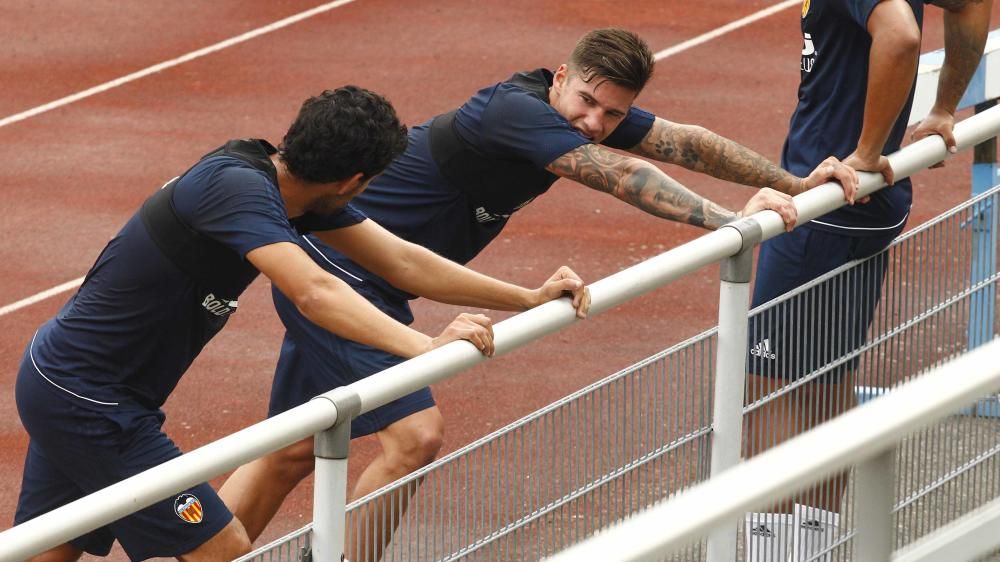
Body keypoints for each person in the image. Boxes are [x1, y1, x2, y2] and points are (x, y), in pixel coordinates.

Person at [219, 28, 860, 561]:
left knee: (291, 447)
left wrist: (794, 181)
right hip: (342, 273)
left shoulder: (584, 113)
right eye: (585, 102)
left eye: (611, 113)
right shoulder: (516, 112)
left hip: (385, 279)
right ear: (560, 76)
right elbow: (623, 175)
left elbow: (685, 141)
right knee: (415, 438)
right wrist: (731, 223)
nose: (595, 122)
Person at [12, 86, 593, 562]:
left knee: (48, 552)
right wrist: (424, 347)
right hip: (88, 400)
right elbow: (315, 291)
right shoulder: (236, 190)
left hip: (75, 386)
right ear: (352, 180)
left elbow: (400, 259)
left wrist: (527, 298)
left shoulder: (279, 186)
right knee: (220, 549)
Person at [742, 1, 993, 561]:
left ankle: (772, 556)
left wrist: (865, 152)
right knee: (829, 382)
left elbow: (902, 37)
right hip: (873, 208)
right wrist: (944, 107)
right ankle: (810, 552)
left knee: (770, 387)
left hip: (823, 209)